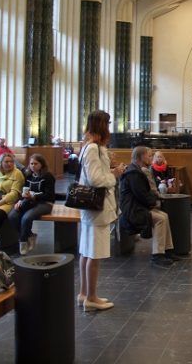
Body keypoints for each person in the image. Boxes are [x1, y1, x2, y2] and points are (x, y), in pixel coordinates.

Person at [77, 110, 125, 312]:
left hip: (91, 209)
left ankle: (84, 293)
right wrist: (114, 174)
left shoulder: (92, 147)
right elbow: (96, 180)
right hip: (97, 208)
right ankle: (91, 298)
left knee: (87, 252)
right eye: (107, 124)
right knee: (94, 254)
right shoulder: (92, 148)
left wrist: (109, 169)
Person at [120, 146, 177, 267]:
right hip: (133, 210)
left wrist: (152, 201)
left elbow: (143, 194)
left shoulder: (137, 170)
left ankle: (167, 251)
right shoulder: (134, 173)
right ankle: (157, 255)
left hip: (137, 206)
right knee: (160, 219)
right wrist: (153, 202)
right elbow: (142, 195)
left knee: (164, 215)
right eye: (149, 155)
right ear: (141, 157)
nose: (151, 158)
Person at [8, 154, 56, 254]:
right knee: (13, 216)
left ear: (42, 164)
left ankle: (23, 242)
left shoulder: (48, 176)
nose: (33, 166)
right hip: (29, 202)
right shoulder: (28, 175)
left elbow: (50, 196)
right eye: (31, 164)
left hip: (45, 203)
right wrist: (20, 201)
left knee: (26, 218)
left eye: (35, 163)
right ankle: (30, 235)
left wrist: (34, 196)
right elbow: (23, 192)